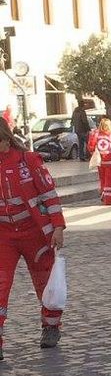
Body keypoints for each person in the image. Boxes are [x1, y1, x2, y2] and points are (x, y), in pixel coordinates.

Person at [0, 119, 66, 357]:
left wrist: (57, 226)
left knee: (45, 282)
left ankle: (51, 326)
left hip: (35, 234)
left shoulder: (29, 161)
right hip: (4, 236)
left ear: (5, 140)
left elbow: (49, 194)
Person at [87, 117, 111, 205]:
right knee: (110, 180)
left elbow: (90, 147)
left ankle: (103, 194)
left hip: (100, 162)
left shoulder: (96, 135)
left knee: (102, 179)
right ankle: (108, 198)